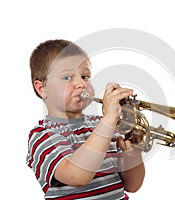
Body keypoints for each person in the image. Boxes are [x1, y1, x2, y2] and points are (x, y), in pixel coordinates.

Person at [26, 39, 145, 200]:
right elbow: (77, 176)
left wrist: (132, 155)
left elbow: (132, 185)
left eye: (85, 76)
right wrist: (109, 120)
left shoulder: (102, 125)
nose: (81, 84)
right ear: (42, 88)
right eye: (67, 77)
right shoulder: (42, 135)